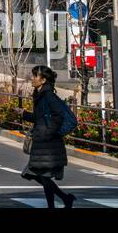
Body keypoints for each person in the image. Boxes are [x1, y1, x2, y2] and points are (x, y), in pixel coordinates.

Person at [21, 65, 76, 209]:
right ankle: (64, 199)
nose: (32, 78)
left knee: (42, 176)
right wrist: (24, 114)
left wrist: (48, 133)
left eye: (35, 76)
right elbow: (40, 118)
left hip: (48, 144)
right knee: (41, 176)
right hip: (42, 142)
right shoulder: (40, 95)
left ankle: (60, 201)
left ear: (43, 80)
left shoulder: (48, 96)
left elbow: (58, 116)